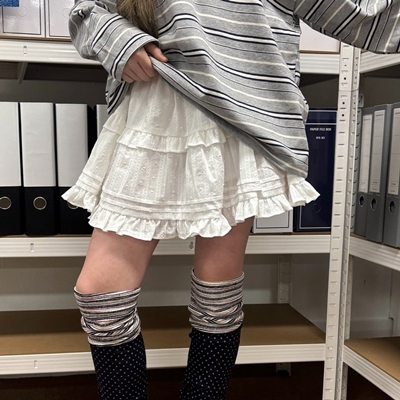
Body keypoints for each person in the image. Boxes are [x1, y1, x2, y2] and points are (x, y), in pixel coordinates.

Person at [64, 1, 400, 399]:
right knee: (100, 297)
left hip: (239, 115)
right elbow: (87, 10)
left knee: (217, 289)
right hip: (152, 108)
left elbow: (357, 15)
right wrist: (119, 40)